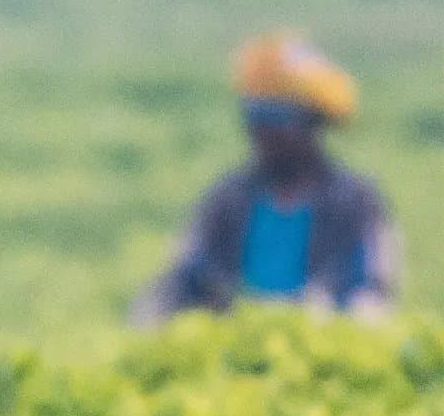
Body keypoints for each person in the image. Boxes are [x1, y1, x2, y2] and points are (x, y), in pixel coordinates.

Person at [133, 33, 400, 324]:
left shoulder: (354, 202)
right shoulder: (228, 199)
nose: (264, 132)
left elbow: (372, 289)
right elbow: (185, 275)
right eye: (256, 117)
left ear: (313, 126)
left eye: (278, 120)